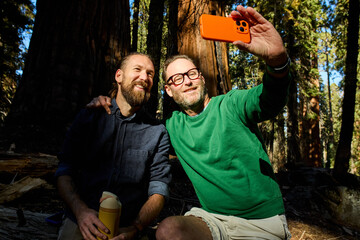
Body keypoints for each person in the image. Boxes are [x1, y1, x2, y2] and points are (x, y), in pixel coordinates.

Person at [90, 5, 292, 240]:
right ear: (168, 90)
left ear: (201, 78)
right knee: (168, 230)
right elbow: (137, 132)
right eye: (177, 78)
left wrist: (277, 61)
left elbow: (271, 99)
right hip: (212, 219)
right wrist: (108, 103)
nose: (186, 81)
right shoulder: (171, 127)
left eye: (191, 74)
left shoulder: (232, 105)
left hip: (262, 223)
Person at [55, 52, 171, 240]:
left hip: (127, 229)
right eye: (138, 70)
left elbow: (159, 189)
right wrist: (81, 212)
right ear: (119, 76)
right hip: (81, 221)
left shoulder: (157, 132)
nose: (145, 77)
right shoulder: (90, 117)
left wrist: (136, 228)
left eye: (150, 74)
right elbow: (64, 170)